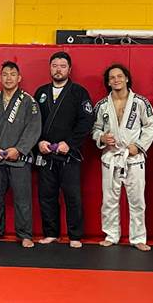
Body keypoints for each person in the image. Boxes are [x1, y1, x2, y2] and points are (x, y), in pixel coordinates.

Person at [92, 64, 153, 252]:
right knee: (109, 199)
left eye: (120, 76)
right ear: (108, 82)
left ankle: (138, 238)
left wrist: (139, 146)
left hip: (133, 157)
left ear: (127, 78)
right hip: (111, 157)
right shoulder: (102, 105)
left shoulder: (140, 102)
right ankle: (111, 235)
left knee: (137, 200)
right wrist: (102, 138)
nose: (116, 80)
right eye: (112, 77)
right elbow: (95, 128)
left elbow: (151, 126)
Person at [34, 51, 94, 248]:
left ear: (69, 69)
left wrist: (69, 143)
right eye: (54, 66)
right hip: (46, 153)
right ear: (50, 68)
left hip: (69, 154)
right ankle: (51, 233)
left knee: (72, 196)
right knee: (46, 195)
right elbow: (32, 122)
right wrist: (39, 142)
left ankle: (75, 235)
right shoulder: (41, 92)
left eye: (62, 66)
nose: (58, 69)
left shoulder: (79, 92)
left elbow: (86, 121)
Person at [0, 61, 41, 247]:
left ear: (19, 78)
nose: (9, 78)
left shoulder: (29, 102)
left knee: (22, 199)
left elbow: (33, 128)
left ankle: (25, 235)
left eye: (13, 74)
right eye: (5, 74)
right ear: (0, 78)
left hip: (19, 159)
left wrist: (20, 149)